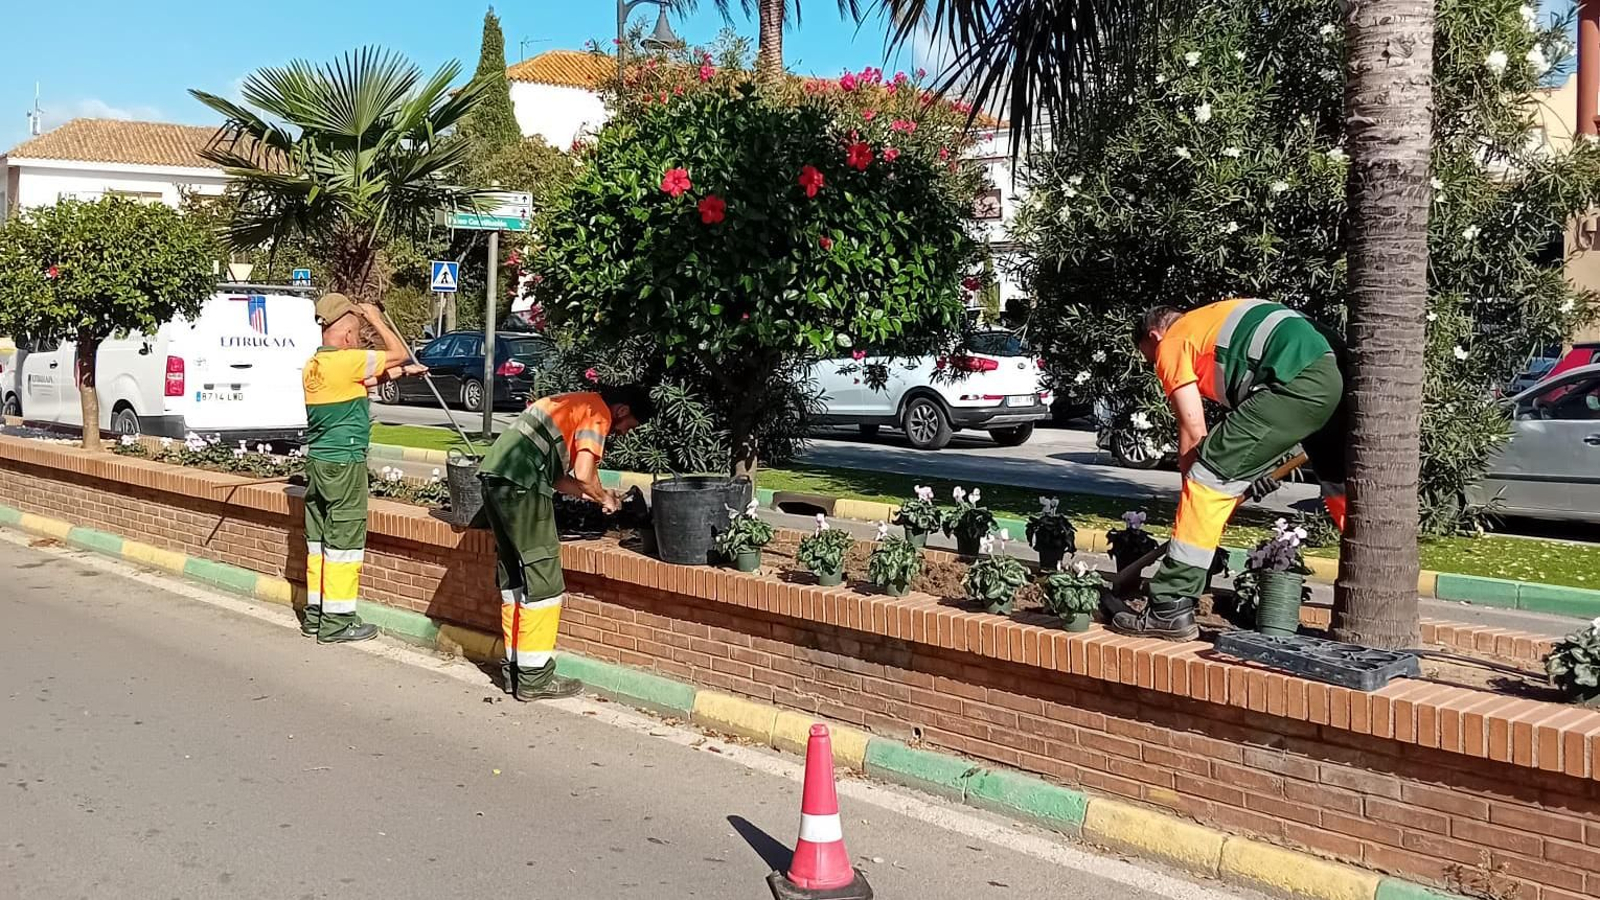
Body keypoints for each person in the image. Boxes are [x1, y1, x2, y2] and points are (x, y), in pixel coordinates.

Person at [1119, 299, 1350, 641]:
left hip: (1297, 384)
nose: (1157, 367)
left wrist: (1196, 496)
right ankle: (1370, 578)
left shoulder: (1173, 341)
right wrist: (1251, 472)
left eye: (1151, 359)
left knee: (1207, 480)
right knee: (1340, 487)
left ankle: (1169, 607)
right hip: (1336, 374)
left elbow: (1193, 428)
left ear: (1154, 336)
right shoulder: (1214, 320)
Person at [477, 385, 654, 700]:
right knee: (543, 581)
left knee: (515, 576)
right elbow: (584, 473)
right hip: (524, 488)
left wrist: (598, 495)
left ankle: (515, 671)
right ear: (622, 410)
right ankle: (535, 679)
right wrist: (604, 498)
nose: (625, 433)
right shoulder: (597, 412)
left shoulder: (571, 404)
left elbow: (560, 479)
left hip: (496, 481)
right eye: (630, 426)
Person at [300, 293, 425, 643]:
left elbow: (364, 382)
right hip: (345, 463)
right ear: (347, 336)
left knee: (319, 543)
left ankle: (316, 615)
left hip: (319, 463)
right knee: (344, 543)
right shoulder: (347, 360)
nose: (358, 341)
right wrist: (375, 319)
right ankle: (338, 623)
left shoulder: (315, 366)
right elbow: (399, 351)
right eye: (356, 334)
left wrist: (400, 374)